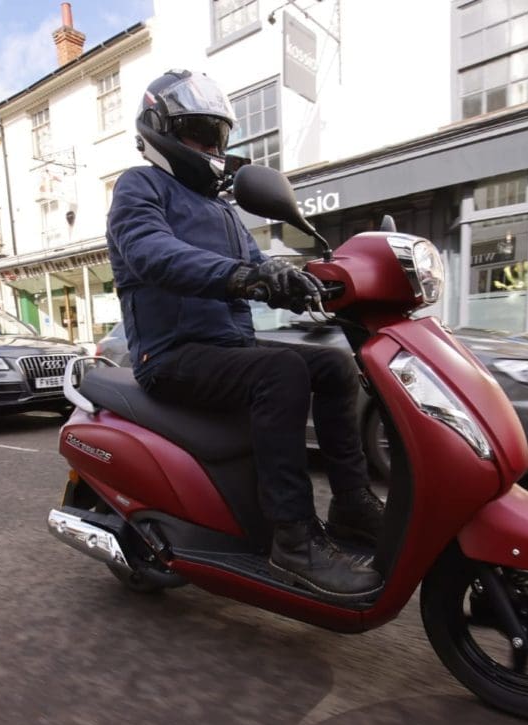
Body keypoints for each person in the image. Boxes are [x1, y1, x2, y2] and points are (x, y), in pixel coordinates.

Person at [105, 69, 384, 601]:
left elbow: (258, 263)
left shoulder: (223, 209)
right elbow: (151, 252)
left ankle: (351, 503)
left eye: (217, 135)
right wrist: (245, 277)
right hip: (172, 355)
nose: (210, 146)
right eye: (198, 133)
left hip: (226, 349)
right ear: (160, 129)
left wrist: (304, 279)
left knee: (332, 365)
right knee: (280, 372)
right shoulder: (138, 187)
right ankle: (294, 541)